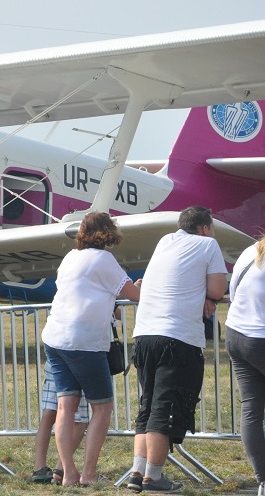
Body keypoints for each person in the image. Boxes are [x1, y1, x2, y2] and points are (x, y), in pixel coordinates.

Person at [128, 206, 228, 492]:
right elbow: (219, 289)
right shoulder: (208, 244)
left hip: (145, 334)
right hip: (177, 337)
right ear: (205, 227)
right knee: (165, 408)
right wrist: (208, 296)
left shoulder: (165, 241)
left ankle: (137, 471)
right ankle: (154, 477)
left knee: (147, 405)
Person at [41, 212, 139, 485]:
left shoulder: (70, 257)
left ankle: (68, 473)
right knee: (102, 408)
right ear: (108, 233)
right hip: (85, 342)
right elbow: (132, 294)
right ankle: (89, 474)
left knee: (65, 407)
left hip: (55, 337)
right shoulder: (104, 259)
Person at [226, 235, 265, 496]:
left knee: (251, 409)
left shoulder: (250, 251)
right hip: (260, 337)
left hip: (236, 333)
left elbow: (233, 291)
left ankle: (263, 479)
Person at [32, 361, 89, 484]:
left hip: (54, 360)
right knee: (80, 421)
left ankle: (39, 468)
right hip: (79, 360)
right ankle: (61, 468)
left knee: (49, 414)